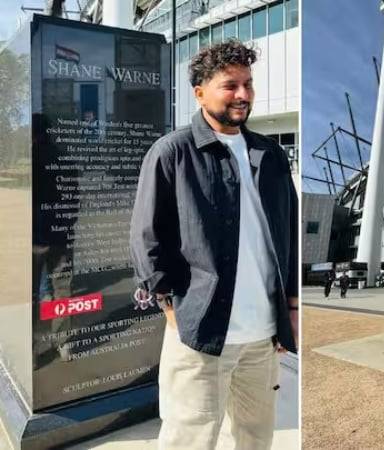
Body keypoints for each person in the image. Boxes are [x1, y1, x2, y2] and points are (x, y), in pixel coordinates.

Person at [130, 40, 298, 450]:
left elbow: (288, 236)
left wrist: (289, 310)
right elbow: (146, 238)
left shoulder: (271, 156)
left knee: (255, 439)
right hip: (200, 335)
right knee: (188, 440)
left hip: (261, 340)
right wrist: (172, 310)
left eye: (248, 84)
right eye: (230, 85)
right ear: (200, 91)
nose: (243, 95)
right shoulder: (173, 152)